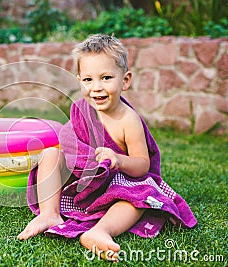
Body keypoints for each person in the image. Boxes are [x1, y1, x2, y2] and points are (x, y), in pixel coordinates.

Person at [17, 34, 197, 262]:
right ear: (79, 80)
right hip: (85, 181)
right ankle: (49, 214)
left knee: (141, 195)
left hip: (118, 185)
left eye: (106, 77)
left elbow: (143, 165)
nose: (97, 88)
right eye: (88, 80)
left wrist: (119, 160)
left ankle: (101, 230)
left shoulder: (127, 120)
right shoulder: (82, 110)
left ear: (125, 80)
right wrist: (77, 160)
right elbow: (74, 146)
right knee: (51, 153)